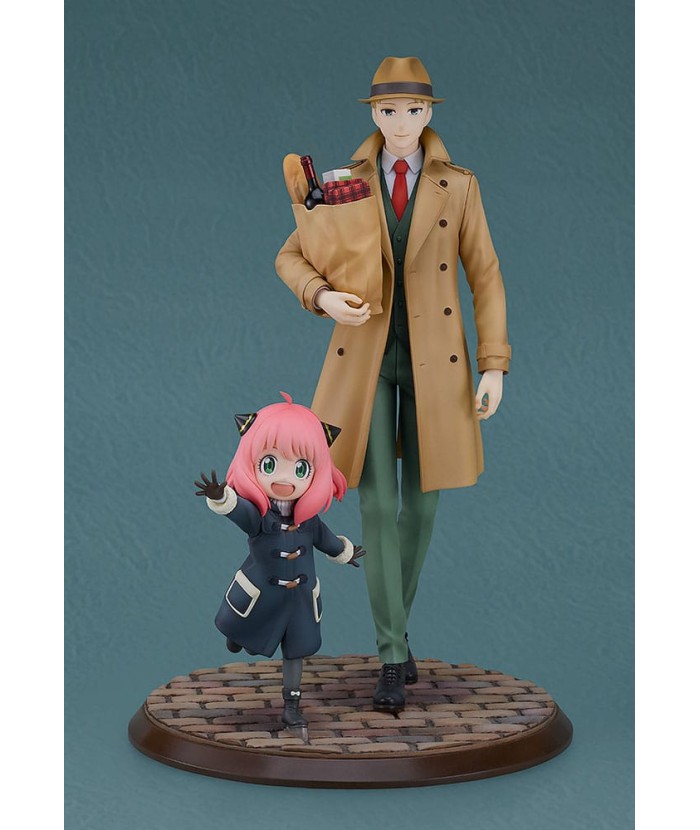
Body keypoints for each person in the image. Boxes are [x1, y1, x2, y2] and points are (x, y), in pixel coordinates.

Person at [275, 57, 511, 712]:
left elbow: (485, 275)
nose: (401, 122)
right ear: (373, 114)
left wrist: (493, 363)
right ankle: (389, 653)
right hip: (367, 361)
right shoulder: (344, 184)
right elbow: (291, 254)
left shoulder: (459, 186)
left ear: (429, 113)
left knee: (423, 507)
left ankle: (395, 632)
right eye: (388, 110)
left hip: (440, 363)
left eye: (412, 110)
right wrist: (321, 296)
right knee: (376, 507)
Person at [195, 392, 365, 728]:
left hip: (299, 599)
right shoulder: (259, 516)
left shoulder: (309, 521)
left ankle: (292, 706)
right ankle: (237, 636)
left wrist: (344, 552)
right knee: (241, 630)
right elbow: (238, 511)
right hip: (262, 593)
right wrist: (222, 498)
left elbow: (326, 539)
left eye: (301, 468)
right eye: (270, 465)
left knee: (296, 650)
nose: (284, 479)